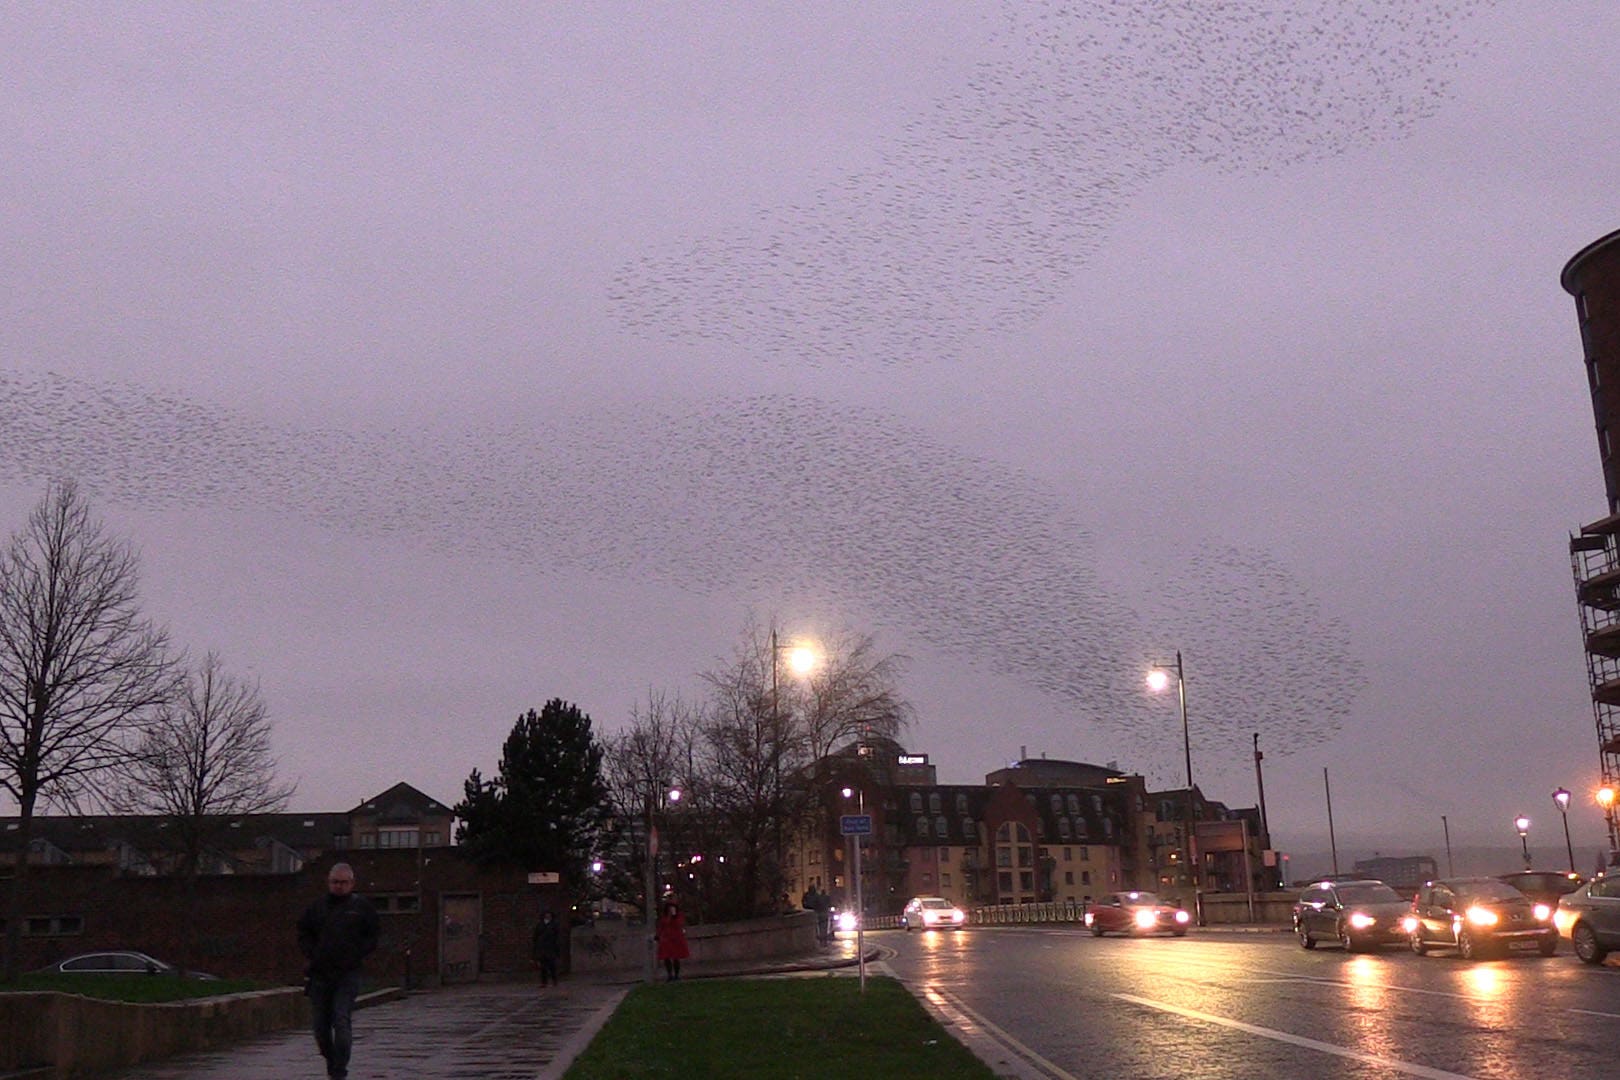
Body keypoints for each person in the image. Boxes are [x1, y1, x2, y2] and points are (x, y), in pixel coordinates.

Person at [297, 862, 380, 1080]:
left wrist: (356, 954)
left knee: (341, 1021)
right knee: (320, 1029)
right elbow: (303, 932)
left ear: (352, 883)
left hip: (347, 974)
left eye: (344, 882)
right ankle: (332, 1062)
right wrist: (313, 954)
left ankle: (339, 1071)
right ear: (328, 883)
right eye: (335, 882)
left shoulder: (361, 908)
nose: (339, 886)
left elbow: (373, 936)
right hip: (320, 974)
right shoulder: (317, 908)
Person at [655, 899, 690, 982]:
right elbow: (662, 926)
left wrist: (674, 917)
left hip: (676, 938)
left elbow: (679, 924)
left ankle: (676, 975)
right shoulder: (665, 916)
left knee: (676, 957)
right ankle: (670, 975)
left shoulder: (679, 916)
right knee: (666, 957)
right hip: (667, 939)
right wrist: (658, 935)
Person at [532, 909, 562, 987]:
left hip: (551, 947)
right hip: (543, 948)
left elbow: (557, 936)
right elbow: (536, 935)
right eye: (546, 915)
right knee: (543, 967)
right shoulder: (540, 925)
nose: (548, 916)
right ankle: (544, 982)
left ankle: (554, 981)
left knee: (552, 966)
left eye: (549, 915)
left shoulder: (554, 925)